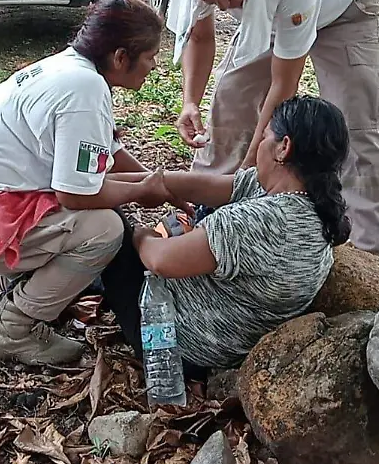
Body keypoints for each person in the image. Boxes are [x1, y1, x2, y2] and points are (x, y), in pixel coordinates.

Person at [0, 0, 185, 367]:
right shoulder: (84, 90)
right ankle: (12, 329)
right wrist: (143, 191)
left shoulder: (72, 70)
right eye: (150, 55)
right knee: (102, 230)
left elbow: (111, 153)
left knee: (83, 231)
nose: (154, 65)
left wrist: (163, 186)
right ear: (121, 57)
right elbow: (75, 195)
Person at [166, 0, 379, 262]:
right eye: (215, 1)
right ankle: (207, 216)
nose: (228, 7)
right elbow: (199, 37)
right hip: (272, 13)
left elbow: (283, 87)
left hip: (345, 7)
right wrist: (189, 103)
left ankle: (374, 256)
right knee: (230, 101)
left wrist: (250, 166)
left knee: (355, 127)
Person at [99, 95, 349, 372]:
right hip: (222, 342)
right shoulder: (313, 204)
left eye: (266, 137)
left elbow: (161, 260)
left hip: (176, 342)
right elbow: (206, 185)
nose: (260, 146)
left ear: (284, 147)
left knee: (110, 225)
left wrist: (139, 235)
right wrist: (141, 184)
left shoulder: (260, 222)